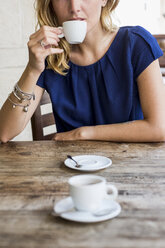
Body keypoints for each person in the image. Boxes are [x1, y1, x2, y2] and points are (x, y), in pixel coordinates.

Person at [0, 0, 165, 143]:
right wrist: (32, 69)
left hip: (132, 168)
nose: (74, 7)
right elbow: (4, 132)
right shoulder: (51, 56)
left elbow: (159, 128)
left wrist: (84, 133)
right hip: (73, 170)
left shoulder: (136, 44)